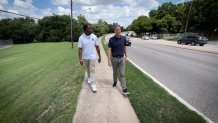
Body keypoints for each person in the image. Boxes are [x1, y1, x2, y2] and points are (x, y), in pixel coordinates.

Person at [78, 23, 101, 93]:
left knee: (92, 70)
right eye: (89, 28)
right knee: (88, 69)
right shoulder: (81, 38)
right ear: (85, 30)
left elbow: (97, 47)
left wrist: (100, 56)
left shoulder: (94, 36)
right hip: (85, 57)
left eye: (91, 28)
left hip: (93, 57)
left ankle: (93, 84)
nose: (91, 29)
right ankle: (89, 77)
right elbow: (80, 49)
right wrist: (80, 59)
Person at [107, 24, 129, 95]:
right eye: (116, 29)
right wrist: (109, 60)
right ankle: (115, 82)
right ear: (114, 31)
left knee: (122, 74)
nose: (118, 31)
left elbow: (125, 47)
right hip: (114, 59)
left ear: (120, 30)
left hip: (122, 59)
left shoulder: (123, 38)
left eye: (119, 29)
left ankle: (124, 89)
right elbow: (109, 49)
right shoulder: (111, 40)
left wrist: (126, 56)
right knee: (115, 72)